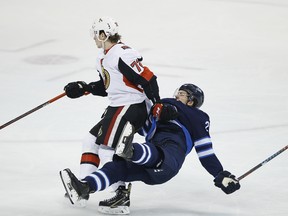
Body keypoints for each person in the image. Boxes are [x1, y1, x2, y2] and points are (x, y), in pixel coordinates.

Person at [60, 83, 240, 214]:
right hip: (154, 167)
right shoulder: (161, 106)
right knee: (117, 167)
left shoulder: (197, 116)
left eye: (183, 94)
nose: (177, 95)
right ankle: (85, 188)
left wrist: (220, 174)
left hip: (171, 154)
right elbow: (143, 118)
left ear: (192, 101)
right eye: (178, 91)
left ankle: (131, 151)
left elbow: (205, 152)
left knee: (151, 152)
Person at [62, 16, 160, 213]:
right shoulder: (102, 56)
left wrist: (157, 104)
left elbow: (148, 79)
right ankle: (82, 186)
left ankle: (120, 196)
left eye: (95, 34)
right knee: (90, 140)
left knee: (109, 149)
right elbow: (107, 87)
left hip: (131, 106)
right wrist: (85, 87)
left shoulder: (123, 54)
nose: (93, 38)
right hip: (118, 106)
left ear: (103, 34)